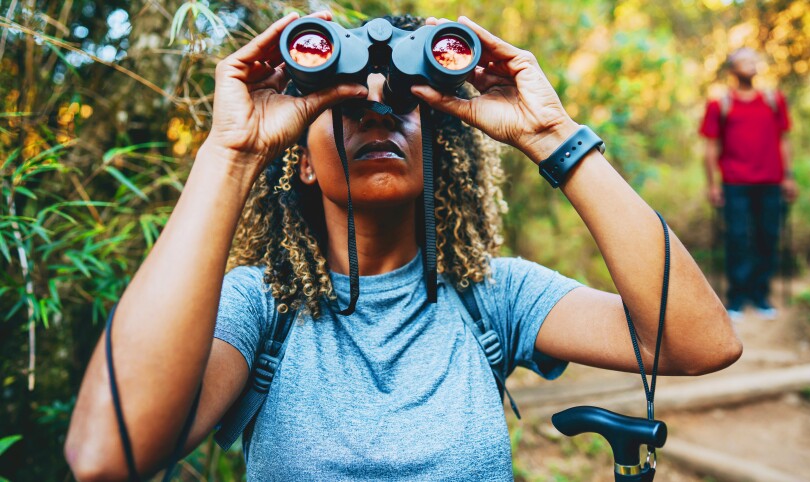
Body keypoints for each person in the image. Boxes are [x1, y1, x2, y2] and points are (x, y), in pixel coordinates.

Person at [65, 11, 742, 481]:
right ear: (300, 161)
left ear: (438, 152)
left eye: (404, 105)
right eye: (343, 101)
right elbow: (105, 454)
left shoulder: (494, 297)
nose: (376, 110)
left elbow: (698, 342)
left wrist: (550, 134)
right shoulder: (262, 307)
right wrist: (231, 153)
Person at [700, 47, 797, 322]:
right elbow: (710, 146)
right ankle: (737, 298)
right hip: (734, 183)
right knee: (738, 238)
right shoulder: (720, 105)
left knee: (768, 235)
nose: (752, 65)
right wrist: (712, 184)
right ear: (733, 69)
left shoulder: (773, 100)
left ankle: (761, 295)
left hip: (771, 181)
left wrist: (788, 176)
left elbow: (784, 140)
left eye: (755, 61)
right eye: (745, 61)